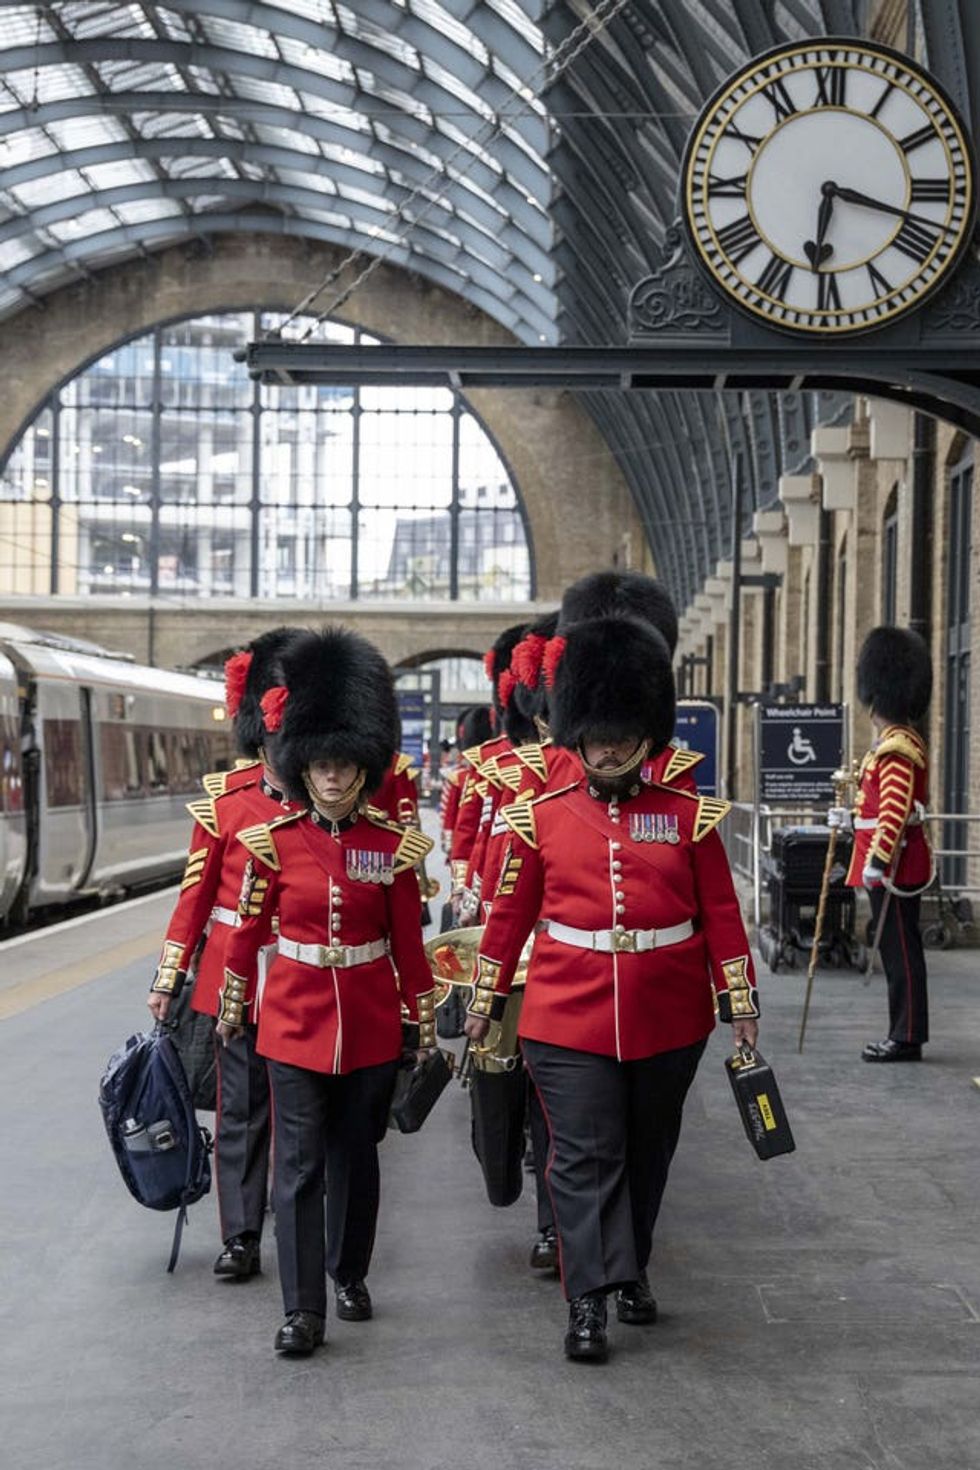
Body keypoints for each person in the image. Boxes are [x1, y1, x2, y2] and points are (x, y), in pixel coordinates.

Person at [464, 613, 759, 1363]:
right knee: (583, 1154)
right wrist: (484, 999)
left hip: (669, 1011)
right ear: (578, 735)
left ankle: (632, 1268)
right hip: (565, 1013)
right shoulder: (541, 819)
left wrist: (740, 1003)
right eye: (594, 738)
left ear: (643, 736)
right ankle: (588, 1299)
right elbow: (508, 916)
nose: (605, 749)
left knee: (647, 1151)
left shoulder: (688, 817)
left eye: (619, 737)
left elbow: (721, 916)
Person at [216, 626, 437, 1357]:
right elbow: (246, 934)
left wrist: (424, 1015)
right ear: (302, 768)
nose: (334, 778)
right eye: (321, 766)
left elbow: (407, 941)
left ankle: (349, 1272)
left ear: (362, 769)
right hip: (294, 1022)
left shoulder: (390, 849)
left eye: (345, 766)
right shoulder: (271, 845)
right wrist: (233, 1000)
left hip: (372, 1023)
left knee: (358, 1156)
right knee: (299, 1166)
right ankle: (303, 1308)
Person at [147, 626, 302, 1280]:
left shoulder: (332, 804)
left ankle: (302, 1223)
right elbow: (193, 898)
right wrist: (169, 974)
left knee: (302, 1116)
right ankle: (240, 1236)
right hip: (236, 981)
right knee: (240, 1113)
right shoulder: (225, 807)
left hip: (305, 979)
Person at [830, 625, 933, 1062]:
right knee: (895, 948)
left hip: (894, 868)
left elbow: (893, 812)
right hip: (889, 865)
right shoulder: (891, 744)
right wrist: (850, 818)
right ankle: (902, 1030)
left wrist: (877, 860)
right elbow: (875, 808)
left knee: (901, 953)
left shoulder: (897, 748)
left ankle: (906, 1036)